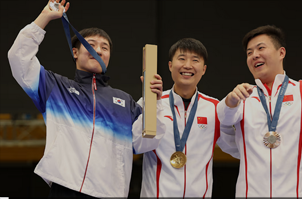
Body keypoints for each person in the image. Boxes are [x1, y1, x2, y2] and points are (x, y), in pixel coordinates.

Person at [8, 0, 165, 197]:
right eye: (91, 45)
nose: (98, 51)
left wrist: (155, 103)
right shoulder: (55, 87)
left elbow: (144, 143)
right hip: (65, 188)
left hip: (109, 193)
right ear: (75, 52)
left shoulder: (125, 101)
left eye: (105, 48)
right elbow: (18, 59)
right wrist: (44, 17)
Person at [217, 25, 302, 197]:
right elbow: (222, 120)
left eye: (261, 48)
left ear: (281, 53)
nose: (254, 55)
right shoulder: (242, 95)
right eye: (249, 52)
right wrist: (231, 101)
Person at [140, 38, 237, 197]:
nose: (187, 65)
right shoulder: (151, 102)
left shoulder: (215, 108)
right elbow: (136, 146)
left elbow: (237, 148)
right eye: (182, 58)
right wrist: (153, 107)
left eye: (195, 60)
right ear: (170, 65)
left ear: (204, 69)